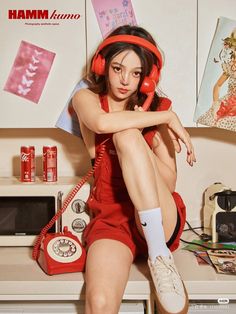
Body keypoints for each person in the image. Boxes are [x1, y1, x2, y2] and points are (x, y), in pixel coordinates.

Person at [72, 25, 196, 314]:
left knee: (128, 135)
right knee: (100, 303)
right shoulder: (86, 99)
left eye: (136, 72)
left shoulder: (156, 107)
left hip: (159, 217)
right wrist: (165, 117)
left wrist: (141, 133)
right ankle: (157, 255)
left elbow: (168, 183)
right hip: (113, 219)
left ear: (148, 77)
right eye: (117, 68)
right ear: (103, 66)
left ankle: (159, 254)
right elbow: (102, 124)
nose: (125, 80)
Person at [197, 29, 236, 132]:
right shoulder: (231, 68)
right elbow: (217, 86)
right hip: (228, 104)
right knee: (215, 120)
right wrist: (215, 104)